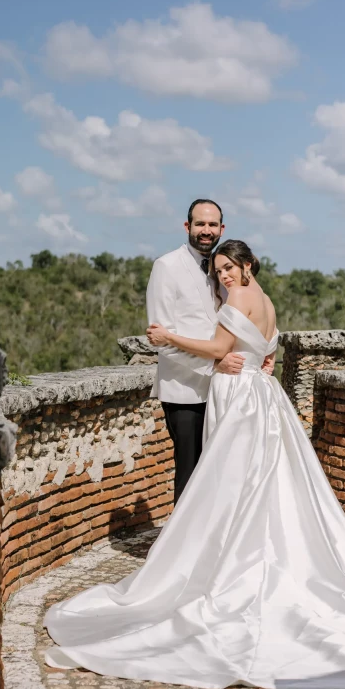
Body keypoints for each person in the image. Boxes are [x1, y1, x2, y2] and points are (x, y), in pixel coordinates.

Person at [44, 239, 345, 689]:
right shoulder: (268, 299)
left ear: (248, 264)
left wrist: (165, 338)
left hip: (239, 398)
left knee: (232, 483)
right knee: (263, 482)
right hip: (261, 392)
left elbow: (220, 346)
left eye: (229, 267)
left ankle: (229, 570)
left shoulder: (239, 296)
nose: (224, 276)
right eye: (217, 271)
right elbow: (263, 348)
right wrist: (252, 356)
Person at [146, 199, 264, 504]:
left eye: (213, 225)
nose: (206, 230)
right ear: (188, 226)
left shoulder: (225, 269)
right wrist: (214, 365)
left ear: (222, 229)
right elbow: (163, 339)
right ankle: (182, 548)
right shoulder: (166, 266)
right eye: (200, 224)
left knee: (219, 473)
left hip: (226, 391)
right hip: (184, 390)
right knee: (190, 473)